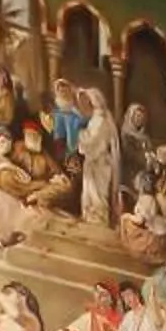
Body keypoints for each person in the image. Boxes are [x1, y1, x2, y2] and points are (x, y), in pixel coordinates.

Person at [75, 86, 120, 226]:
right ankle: (91, 217)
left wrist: (81, 136)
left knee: (97, 195)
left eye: (88, 101)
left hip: (100, 162)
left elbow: (95, 141)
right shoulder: (96, 119)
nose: (85, 104)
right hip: (93, 161)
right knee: (91, 192)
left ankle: (98, 220)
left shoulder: (100, 120)